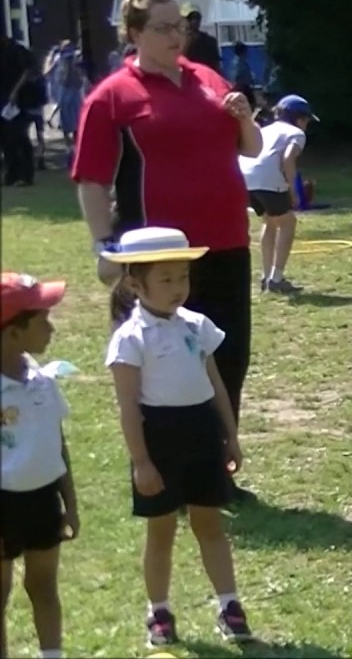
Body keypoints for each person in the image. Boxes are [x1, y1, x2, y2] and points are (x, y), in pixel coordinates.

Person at [72, 0, 263, 501]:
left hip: (224, 243)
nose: (177, 35)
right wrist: (101, 247)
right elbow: (91, 179)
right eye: (162, 27)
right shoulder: (112, 96)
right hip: (155, 257)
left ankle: (214, 469)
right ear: (134, 34)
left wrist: (246, 117)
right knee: (155, 368)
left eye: (180, 25)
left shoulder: (209, 80)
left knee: (226, 358)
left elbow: (249, 147)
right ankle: (157, 474)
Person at [103, 227, 253, 648]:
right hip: (160, 439)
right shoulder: (130, 339)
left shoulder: (197, 325)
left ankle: (229, 605)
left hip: (202, 433)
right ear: (136, 283)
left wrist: (231, 435)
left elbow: (216, 384)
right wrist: (141, 461)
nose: (177, 288)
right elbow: (128, 406)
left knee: (210, 524)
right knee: (162, 531)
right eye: (165, 279)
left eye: (182, 277)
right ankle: (160, 612)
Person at [1, 273, 78, 659]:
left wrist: (71, 502)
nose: (52, 327)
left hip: (43, 501)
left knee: (44, 588)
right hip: (3, 504)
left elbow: (56, 443)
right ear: (13, 333)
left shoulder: (42, 381)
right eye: (42, 320)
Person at [239, 94, 317, 293]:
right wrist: (292, 189)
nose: (306, 124)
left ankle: (266, 277)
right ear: (299, 118)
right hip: (268, 179)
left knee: (270, 222)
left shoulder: (265, 129)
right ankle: (277, 278)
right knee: (288, 223)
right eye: (306, 119)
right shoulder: (296, 133)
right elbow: (288, 158)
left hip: (245, 179)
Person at [1, 24, 36, 187]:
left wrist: (15, 91)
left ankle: (25, 175)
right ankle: (11, 174)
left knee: (19, 136)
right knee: (6, 139)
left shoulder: (17, 50)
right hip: (3, 100)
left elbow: (28, 70)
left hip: (18, 100)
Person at [179, 4, 222, 72]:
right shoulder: (175, 40)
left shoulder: (209, 41)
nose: (194, 21)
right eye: (190, 18)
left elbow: (216, 66)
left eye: (196, 18)